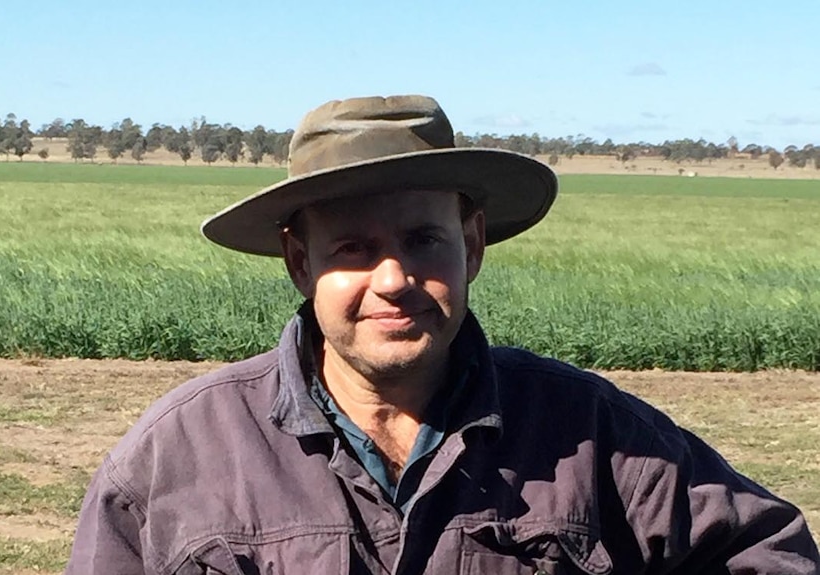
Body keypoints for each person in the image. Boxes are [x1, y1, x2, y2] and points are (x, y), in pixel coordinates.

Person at [66, 95, 819, 574]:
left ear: (473, 245)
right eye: (354, 247)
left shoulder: (595, 435)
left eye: (424, 240)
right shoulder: (176, 454)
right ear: (301, 261)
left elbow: (769, 551)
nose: (393, 278)